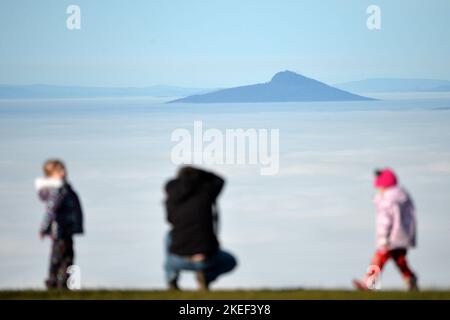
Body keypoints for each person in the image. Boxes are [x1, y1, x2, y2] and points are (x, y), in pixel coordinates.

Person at [164, 166, 237, 290]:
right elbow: (219, 180)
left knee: (168, 236)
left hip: (179, 259)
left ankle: (171, 277)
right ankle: (206, 276)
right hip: (207, 259)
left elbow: (170, 219)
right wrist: (200, 173)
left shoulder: (172, 198)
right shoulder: (206, 192)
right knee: (231, 261)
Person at [353, 168, 418, 291]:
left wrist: (383, 237)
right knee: (400, 260)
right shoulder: (402, 196)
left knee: (378, 258)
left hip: (390, 237)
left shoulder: (387, 200)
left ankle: (369, 283)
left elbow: (385, 220)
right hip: (402, 235)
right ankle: (410, 278)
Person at [35, 159, 84, 289]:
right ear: (50, 175)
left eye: (63, 169)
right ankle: (54, 282)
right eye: (58, 171)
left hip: (67, 230)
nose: (63, 172)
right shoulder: (57, 191)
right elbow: (50, 210)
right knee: (58, 258)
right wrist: (43, 228)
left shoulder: (65, 188)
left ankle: (64, 284)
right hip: (59, 231)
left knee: (68, 257)